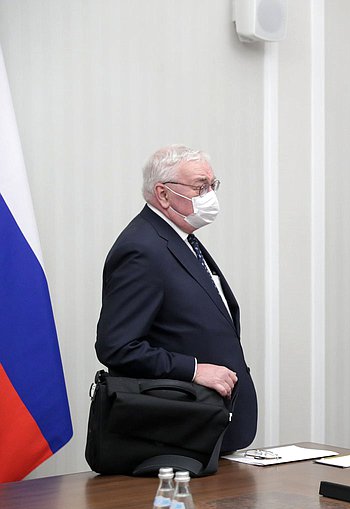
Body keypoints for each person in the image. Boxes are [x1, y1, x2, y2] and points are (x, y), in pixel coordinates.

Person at [96, 144, 257, 452]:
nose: (210, 195)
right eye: (200, 187)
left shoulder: (180, 241)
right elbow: (116, 347)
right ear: (164, 194)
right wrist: (194, 369)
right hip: (177, 433)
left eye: (212, 185)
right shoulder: (142, 249)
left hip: (211, 426)